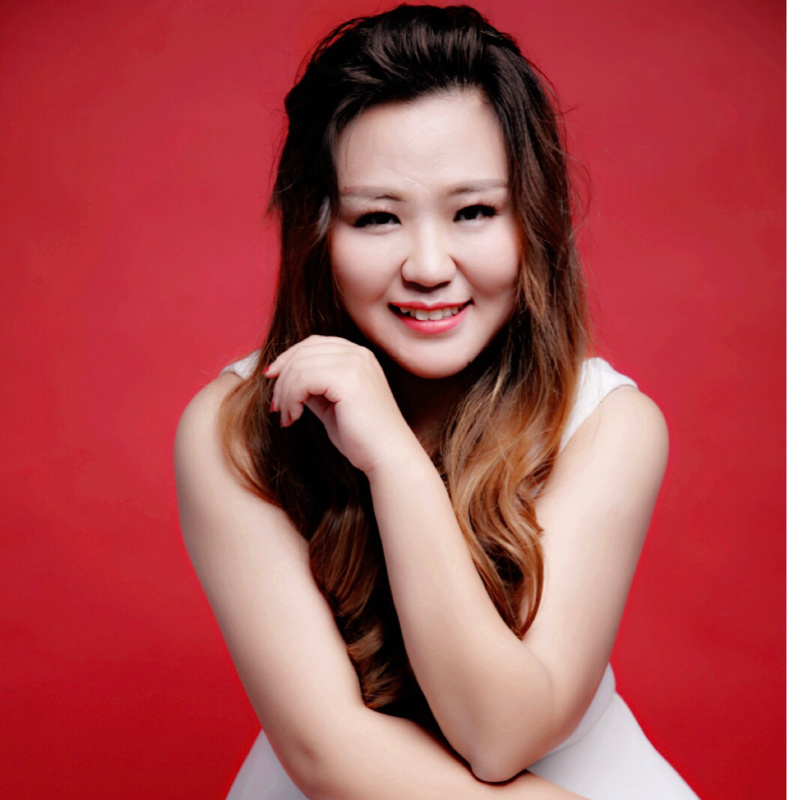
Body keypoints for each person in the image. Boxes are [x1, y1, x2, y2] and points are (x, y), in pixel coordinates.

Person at [174, 5, 701, 799]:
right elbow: (327, 753)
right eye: (378, 216)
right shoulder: (239, 429)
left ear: (534, 218)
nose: (427, 265)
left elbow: (501, 732)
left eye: (474, 211)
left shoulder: (607, 424)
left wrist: (391, 457)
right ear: (318, 230)